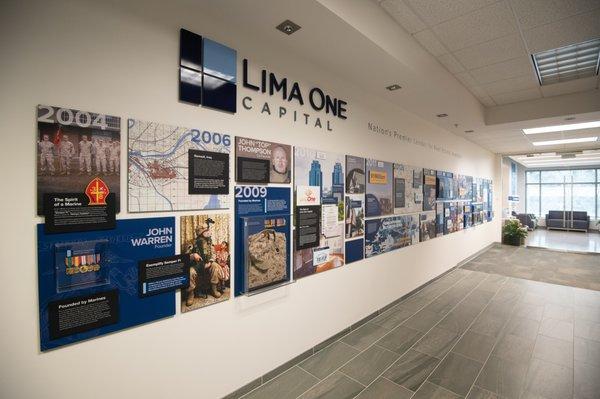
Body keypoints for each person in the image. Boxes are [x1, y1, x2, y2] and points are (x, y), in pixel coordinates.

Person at [185, 218, 226, 306]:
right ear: (200, 233)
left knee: (215, 266)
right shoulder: (191, 242)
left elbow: (213, 253)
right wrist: (193, 255)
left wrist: (210, 262)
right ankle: (191, 294)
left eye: (208, 230)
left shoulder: (209, 241)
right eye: (205, 231)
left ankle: (214, 289)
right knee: (190, 272)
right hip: (195, 264)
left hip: (207, 263)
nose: (208, 232)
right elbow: (185, 256)